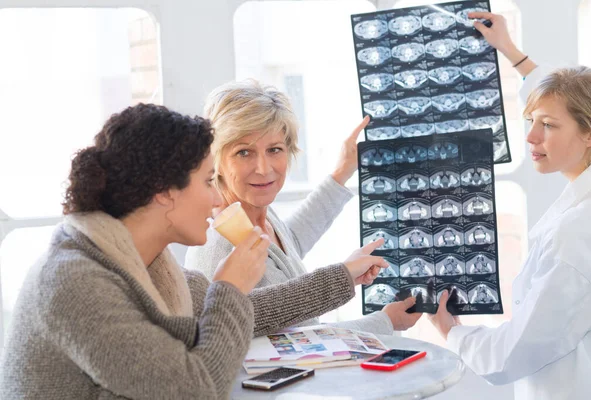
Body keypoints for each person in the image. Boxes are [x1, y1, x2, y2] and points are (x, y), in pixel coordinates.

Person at [0, 104, 391, 399]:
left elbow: (250, 314)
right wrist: (230, 288)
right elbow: (195, 390)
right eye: (208, 181)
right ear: (165, 192)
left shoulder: (144, 261)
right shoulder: (76, 282)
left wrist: (342, 277)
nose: (217, 197)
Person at [428, 11, 591, 399]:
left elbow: (515, 352)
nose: (531, 137)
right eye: (530, 122)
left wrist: (451, 331)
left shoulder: (577, 234)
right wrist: (509, 49)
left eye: (548, 126)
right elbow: (572, 96)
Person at [185, 80, 421, 334]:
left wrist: (342, 171)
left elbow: (287, 250)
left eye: (274, 149)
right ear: (216, 159)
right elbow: (297, 344)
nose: (264, 169)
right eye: (244, 152)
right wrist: (385, 321)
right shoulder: (217, 247)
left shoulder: (258, 214)